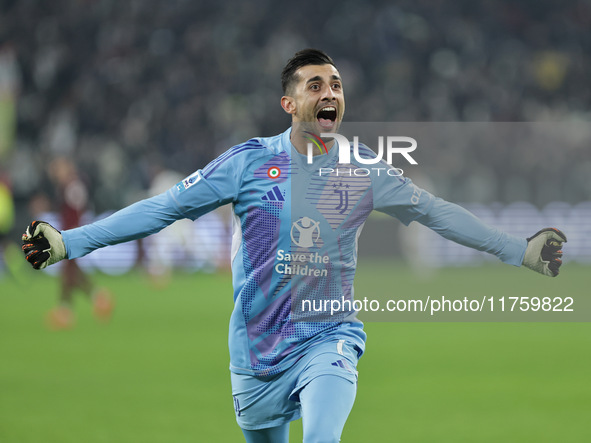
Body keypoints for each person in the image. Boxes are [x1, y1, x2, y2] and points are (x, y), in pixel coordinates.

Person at [21, 49, 567, 442]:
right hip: (255, 353)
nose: (329, 93)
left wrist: (518, 250)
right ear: (289, 102)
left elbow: (436, 213)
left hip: (328, 336)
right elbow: (162, 209)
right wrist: (69, 241)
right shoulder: (248, 163)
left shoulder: (364, 170)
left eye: (336, 85)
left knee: (322, 437)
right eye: (315, 85)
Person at [44, 157, 114, 329]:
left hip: (72, 234)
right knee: (71, 270)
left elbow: (77, 210)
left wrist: (73, 232)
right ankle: (98, 298)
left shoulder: (73, 185)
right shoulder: (68, 186)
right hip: (68, 234)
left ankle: (66, 310)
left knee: (68, 269)